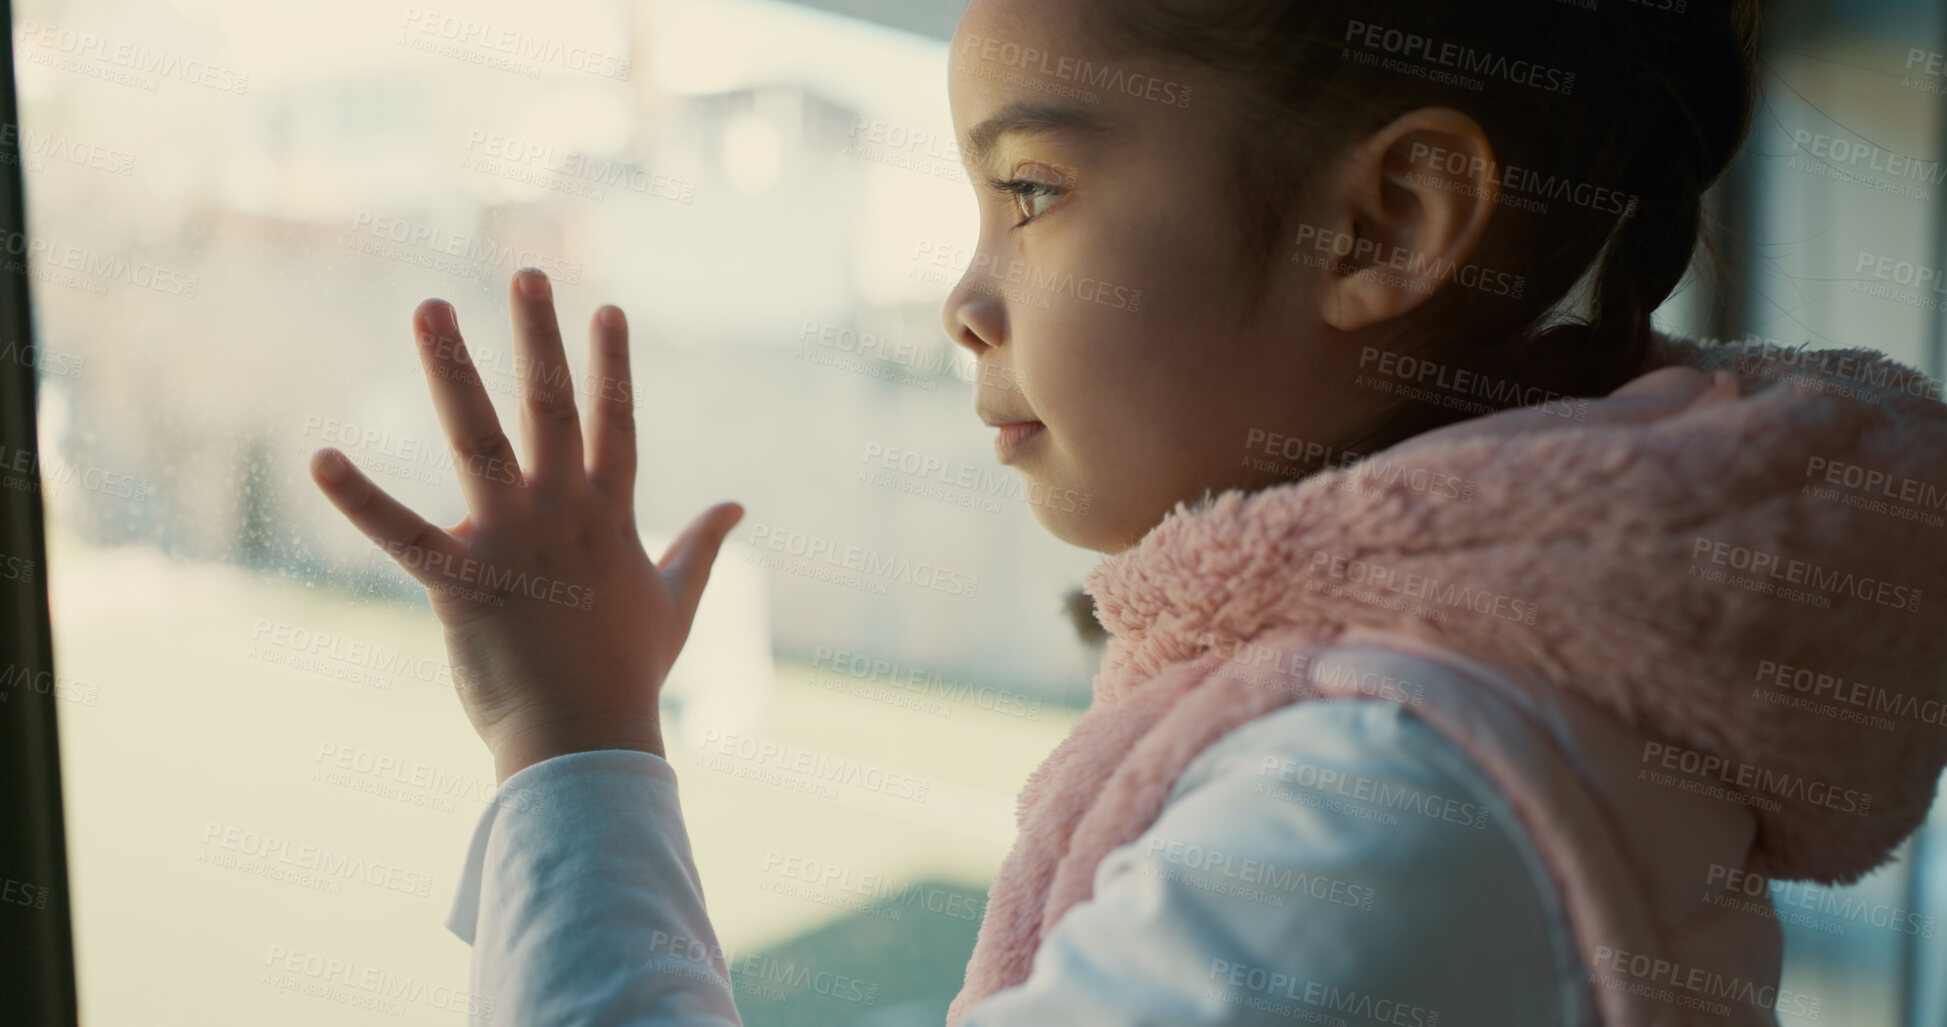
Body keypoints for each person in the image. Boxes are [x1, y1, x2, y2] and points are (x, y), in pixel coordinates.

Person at [310, 0, 1947, 1023]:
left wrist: (572, 750)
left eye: (1029, 188)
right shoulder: (1487, 731)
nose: (963, 295)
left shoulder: (1381, 812)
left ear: (1385, 225)